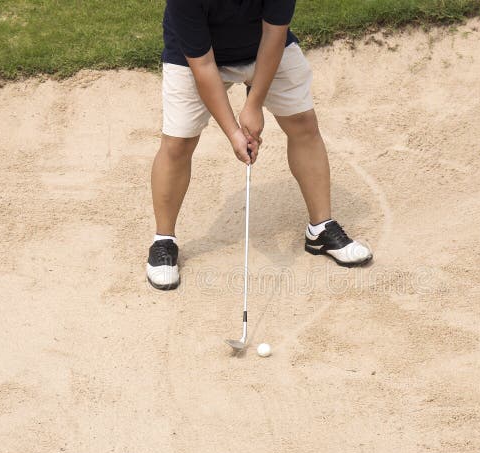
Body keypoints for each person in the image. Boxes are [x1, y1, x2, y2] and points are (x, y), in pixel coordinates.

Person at [146, 0, 373, 290]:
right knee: (178, 142)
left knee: (303, 123)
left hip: (265, 47)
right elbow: (202, 66)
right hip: (196, 56)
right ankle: (163, 240)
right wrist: (233, 133)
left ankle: (320, 229)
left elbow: (274, 35)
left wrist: (254, 104)